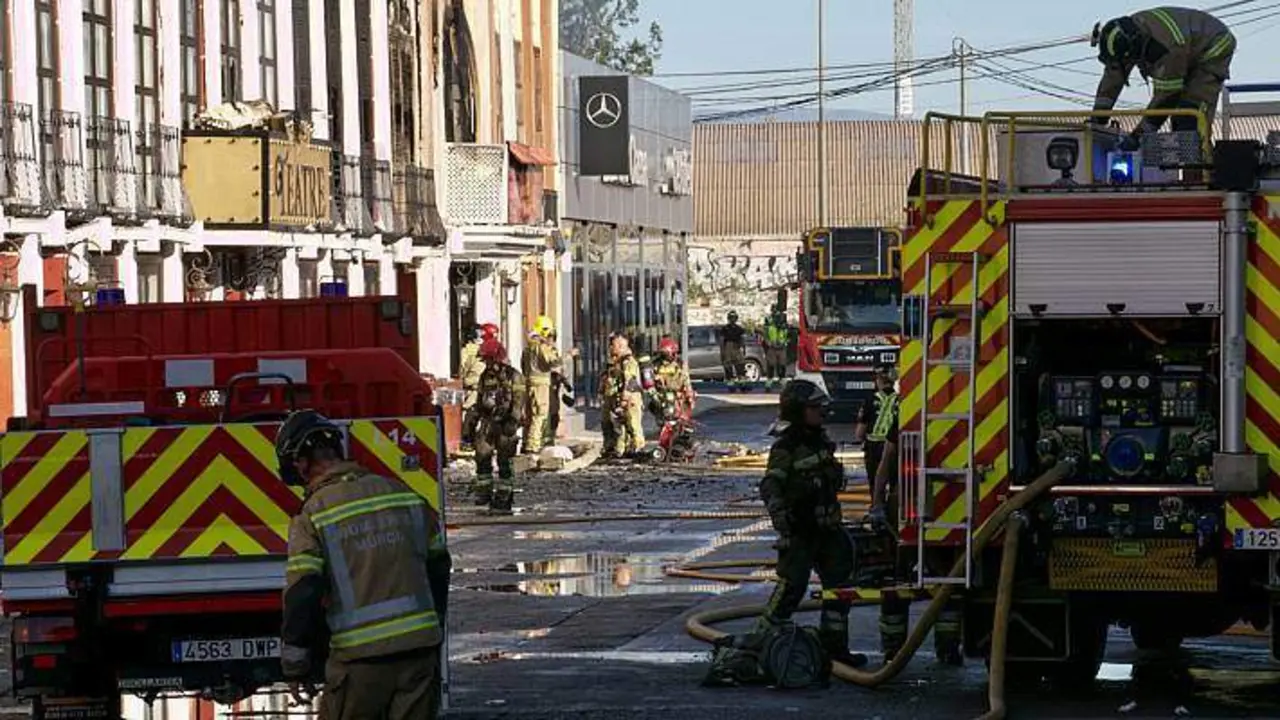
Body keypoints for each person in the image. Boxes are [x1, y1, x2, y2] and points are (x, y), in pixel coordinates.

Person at [278, 409, 451, 720]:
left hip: (361, 663)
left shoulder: (313, 514)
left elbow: (304, 591)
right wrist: (433, 623)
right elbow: (439, 566)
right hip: (419, 655)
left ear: (300, 464)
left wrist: (296, 664)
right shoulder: (404, 496)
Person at [756, 379, 868, 668]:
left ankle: (835, 648)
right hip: (801, 531)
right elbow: (770, 485)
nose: (822, 411)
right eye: (815, 407)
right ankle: (761, 644)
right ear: (798, 410)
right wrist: (781, 517)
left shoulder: (820, 441)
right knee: (792, 587)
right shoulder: (787, 446)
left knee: (840, 588)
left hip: (828, 530)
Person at [1090, 8, 1235, 150]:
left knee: (1188, 113)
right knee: (1181, 113)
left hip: (1214, 45)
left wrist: (1139, 136)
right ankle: (1189, 153)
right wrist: (1097, 120)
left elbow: (1166, 98)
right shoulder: (1129, 32)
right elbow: (1113, 76)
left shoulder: (1167, 50)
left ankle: (1198, 157)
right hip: (1188, 43)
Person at [472, 339, 526, 513]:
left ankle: (504, 496)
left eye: (489, 359)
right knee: (482, 454)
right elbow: (479, 400)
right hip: (489, 422)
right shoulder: (485, 376)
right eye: (485, 360)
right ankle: (484, 492)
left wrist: (513, 422)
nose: (487, 364)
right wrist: (472, 423)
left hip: (506, 423)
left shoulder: (514, 376)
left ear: (497, 358)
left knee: (504, 460)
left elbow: (519, 402)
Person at [854, 364, 900, 523]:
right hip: (896, 447)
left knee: (876, 484)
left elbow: (860, 433)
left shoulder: (869, 400)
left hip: (874, 448)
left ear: (878, 380)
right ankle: (894, 515)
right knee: (896, 483)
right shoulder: (901, 400)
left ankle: (877, 511)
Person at [521, 315, 567, 456]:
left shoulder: (528, 347)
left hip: (529, 383)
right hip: (541, 384)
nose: (551, 338)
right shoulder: (541, 346)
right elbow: (552, 362)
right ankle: (533, 446)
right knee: (540, 414)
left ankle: (526, 442)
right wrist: (567, 356)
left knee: (530, 415)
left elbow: (523, 365)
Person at [601, 334, 645, 459]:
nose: (611, 347)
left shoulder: (628, 361)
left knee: (632, 423)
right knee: (614, 425)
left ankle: (638, 448)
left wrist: (625, 398)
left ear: (621, 346)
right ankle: (613, 448)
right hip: (613, 397)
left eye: (613, 345)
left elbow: (630, 381)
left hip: (630, 399)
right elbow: (606, 379)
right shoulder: (613, 362)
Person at [459, 323, 498, 447]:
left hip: (478, 387)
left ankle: (471, 439)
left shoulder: (468, 350)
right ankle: (470, 439)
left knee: (475, 414)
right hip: (477, 388)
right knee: (474, 413)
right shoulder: (477, 350)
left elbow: (462, 369)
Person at [762, 305, 790, 391]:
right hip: (772, 347)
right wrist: (768, 343)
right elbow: (765, 334)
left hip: (782, 347)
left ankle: (782, 381)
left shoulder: (784, 324)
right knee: (771, 365)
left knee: (782, 365)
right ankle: (769, 382)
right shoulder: (769, 323)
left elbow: (788, 336)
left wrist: (785, 343)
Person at [719, 311, 747, 392]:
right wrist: (722, 351)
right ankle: (732, 385)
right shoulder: (725, 329)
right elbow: (722, 340)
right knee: (729, 367)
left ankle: (741, 384)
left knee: (740, 366)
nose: (732, 319)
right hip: (729, 347)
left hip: (736, 347)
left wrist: (743, 349)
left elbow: (743, 340)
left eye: (734, 318)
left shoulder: (739, 329)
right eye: (731, 318)